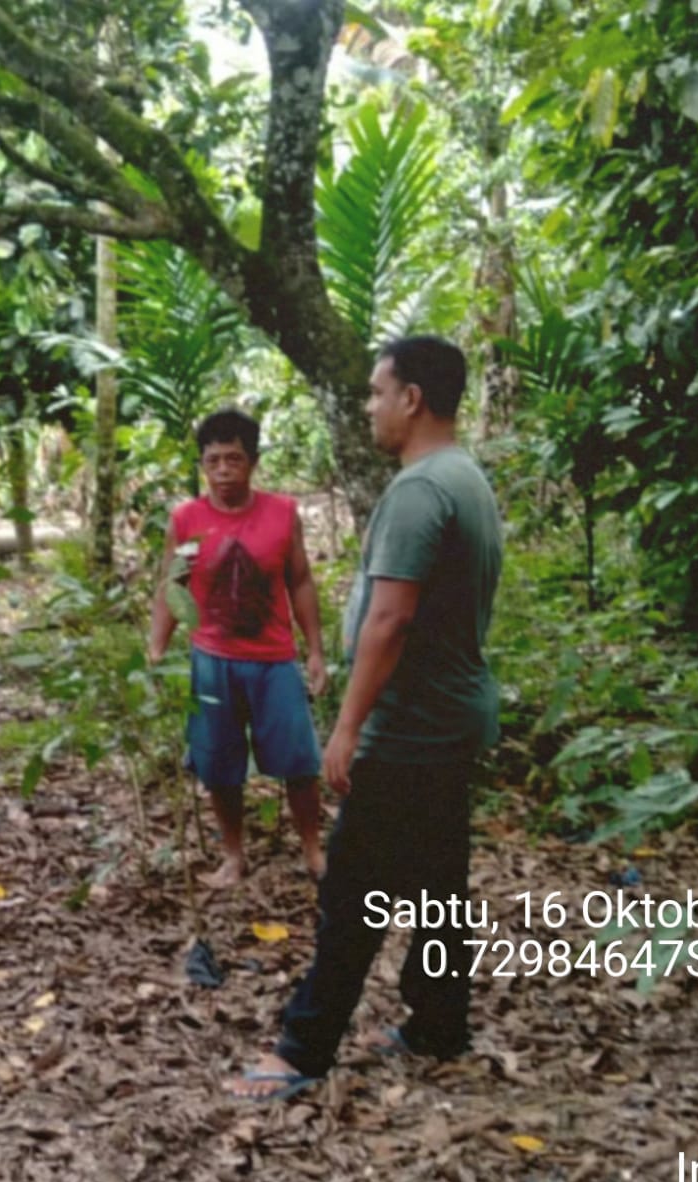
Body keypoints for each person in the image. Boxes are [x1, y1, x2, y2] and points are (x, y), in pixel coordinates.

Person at [226, 335, 503, 1100]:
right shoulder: (465, 477)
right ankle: (440, 1022)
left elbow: (389, 620)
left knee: (355, 890)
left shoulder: (420, 490)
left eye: (378, 393)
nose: (371, 407)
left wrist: (346, 728)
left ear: (412, 398)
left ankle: (304, 1049)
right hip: (449, 720)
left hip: (409, 727)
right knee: (439, 886)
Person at [149, 408, 330, 886]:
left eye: (234, 459)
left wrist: (315, 650)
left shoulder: (282, 513)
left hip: (274, 660)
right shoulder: (186, 519)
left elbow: (301, 580)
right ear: (202, 465)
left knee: (299, 761)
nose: (224, 471)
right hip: (212, 659)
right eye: (213, 461)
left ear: (252, 462)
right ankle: (234, 855)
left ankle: (313, 850)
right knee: (218, 762)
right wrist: (156, 650)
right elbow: (172, 584)